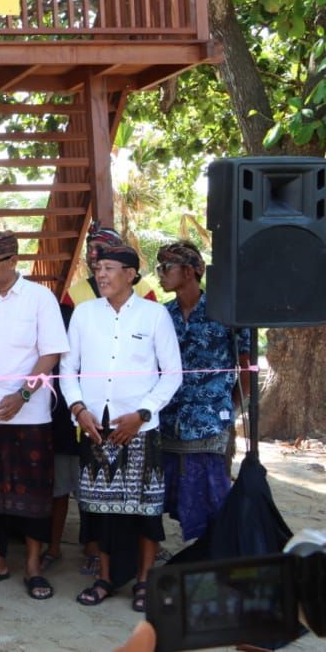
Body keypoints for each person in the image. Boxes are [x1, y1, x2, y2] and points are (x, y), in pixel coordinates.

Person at [60, 242, 182, 611]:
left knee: (144, 509)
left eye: (110, 268)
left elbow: (172, 374)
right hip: (96, 427)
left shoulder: (154, 315)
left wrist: (142, 414)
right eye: (98, 268)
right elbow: (68, 370)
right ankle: (105, 579)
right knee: (101, 510)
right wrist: (79, 409)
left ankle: (143, 582)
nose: (101, 274)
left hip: (140, 429)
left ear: (131, 274)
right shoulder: (83, 314)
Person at [0, 229, 68, 602]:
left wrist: (23, 395)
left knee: (33, 492)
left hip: (30, 411)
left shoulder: (40, 299)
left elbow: (50, 353)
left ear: (13, 262)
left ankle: (34, 566)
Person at [155, 242, 249, 542]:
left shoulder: (225, 311)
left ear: (190, 270)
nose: (160, 274)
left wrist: (229, 409)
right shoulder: (161, 315)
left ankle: (214, 555)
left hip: (211, 424)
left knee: (213, 497)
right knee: (164, 493)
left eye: (166, 267)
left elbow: (245, 368)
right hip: (167, 421)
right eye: (159, 268)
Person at [61, 221, 158, 322]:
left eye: (100, 248)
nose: (92, 254)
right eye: (89, 249)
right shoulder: (73, 293)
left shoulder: (142, 288)